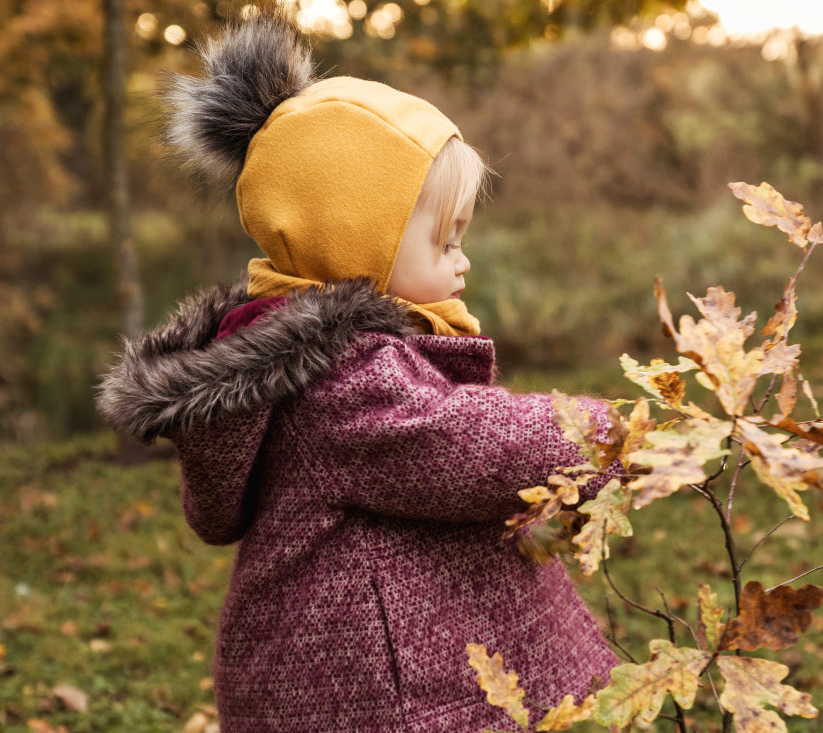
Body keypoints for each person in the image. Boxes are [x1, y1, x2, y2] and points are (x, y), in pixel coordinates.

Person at [97, 9, 616, 732]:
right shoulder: (338, 381)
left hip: (373, 673)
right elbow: (455, 442)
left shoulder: (325, 356)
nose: (463, 260)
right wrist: (598, 432)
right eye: (445, 239)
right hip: (378, 695)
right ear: (354, 246)